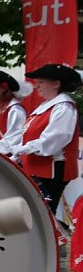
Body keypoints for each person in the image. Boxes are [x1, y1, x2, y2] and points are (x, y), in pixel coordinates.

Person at [11, 63, 81, 214]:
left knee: (44, 214)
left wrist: (23, 149)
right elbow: (28, 133)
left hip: (52, 170)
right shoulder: (45, 106)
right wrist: (18, 154)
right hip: (36, 168)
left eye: (41, 82)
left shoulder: (64, 107)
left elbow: (54, 140)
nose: (37, 86)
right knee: (34, 213)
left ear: (56, 84)